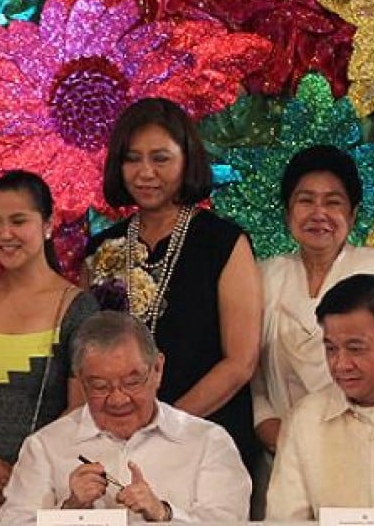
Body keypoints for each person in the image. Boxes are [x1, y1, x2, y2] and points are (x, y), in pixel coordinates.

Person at [85, 97, 262, 472]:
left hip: (206, 441)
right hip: (118, 444)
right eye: (132, 159)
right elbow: (89, 355)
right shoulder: (103, 249)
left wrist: (164, 427)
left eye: (160, 158)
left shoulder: (223, 242)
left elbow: (240, 363)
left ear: (187, 161)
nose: (145, 172)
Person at [0, 170, 98, 518]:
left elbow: (78, 411)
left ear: (48, 224)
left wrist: (20, 482)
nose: (5, 234)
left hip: (46, 493)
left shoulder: (77, 307)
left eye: (18, 221)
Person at [0, 311, 251, 524]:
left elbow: (229, 521)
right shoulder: (45, 446)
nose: (118, 399)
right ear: (80, 381)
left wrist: (164, 514)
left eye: (132, 382)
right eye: (99, 386)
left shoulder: (208, 443)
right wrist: (71, 512)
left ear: (158, 369)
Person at [253, 144, 374, 453]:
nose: (319, 213)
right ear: (287, 213)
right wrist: (280, 437)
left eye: (333, 202)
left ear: (352, 215)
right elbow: (253, 379)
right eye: (305, 201)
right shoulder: (262, 277)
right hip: (281, 450)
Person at [267, 274, 374, 518]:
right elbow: (284, 520)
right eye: (331, 349)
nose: (340, 364)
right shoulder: (306, 419)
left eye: (355, 349)